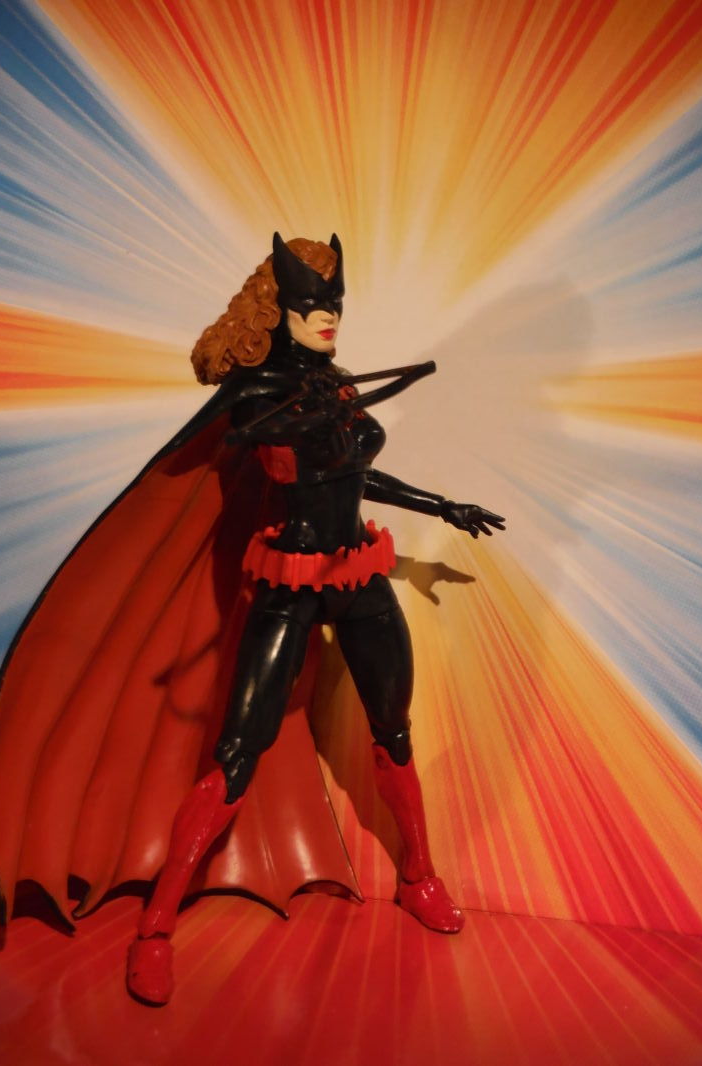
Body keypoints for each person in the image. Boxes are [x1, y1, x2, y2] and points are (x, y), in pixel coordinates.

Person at [125, 233, 506, 1003]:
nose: (329, 316)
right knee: (238, 750)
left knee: (393, 729)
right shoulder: (258, 392)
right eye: (312, 305)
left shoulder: (332, 383)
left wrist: (442, 506)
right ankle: (156, 926)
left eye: (335, 303)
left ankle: (420, 877)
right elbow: (229, 445)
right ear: (280, 309)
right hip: (290, 581)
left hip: (357, 572)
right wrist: (274, 420)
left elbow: (355, 475)